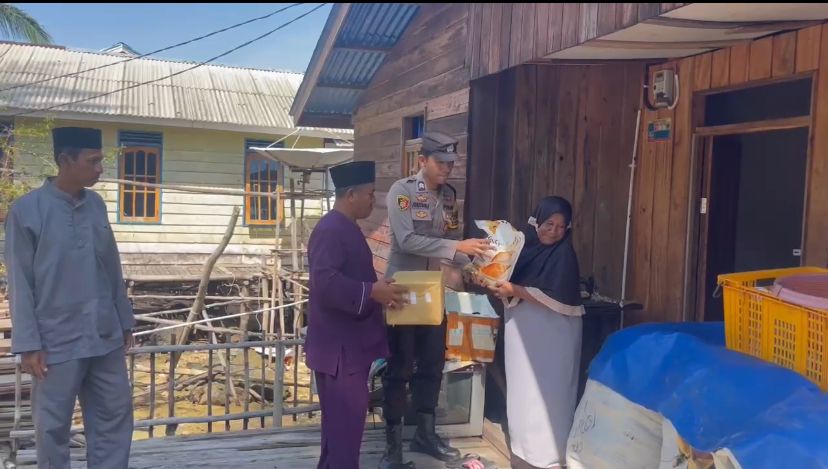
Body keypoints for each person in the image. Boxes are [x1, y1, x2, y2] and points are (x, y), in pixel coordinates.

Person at [5, 127, 135, 468]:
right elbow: (20, 281)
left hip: (104, 336)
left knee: (114, 418)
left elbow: (111, 266)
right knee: (52, 428)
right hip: (55, 342)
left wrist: (124, 321)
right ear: (65, 160)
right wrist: (29, 343)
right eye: (92, 161)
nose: (99, 169)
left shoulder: (96, 206)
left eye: (100, 160)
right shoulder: (26, 211)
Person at [382, 131, 492, 468]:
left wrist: (476, 265)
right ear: (422, 161)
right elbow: (406, 240)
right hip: (403, 288)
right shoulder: (402, 192)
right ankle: (392, 446)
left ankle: (425, 434)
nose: (446, 169)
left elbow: (452, 242)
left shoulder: (448, 198)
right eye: (441, 163)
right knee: (399, 367)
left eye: (450, 163)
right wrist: (457, 248)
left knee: (431, 364)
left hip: (433, 289)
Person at [305, 161, 408, 469]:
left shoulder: (346, 227)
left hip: (347, 350)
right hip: (339, 354)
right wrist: (370, 292)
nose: (373, 200)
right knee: (344, 437)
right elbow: (324, 284)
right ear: (350, 195)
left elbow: (353, 280)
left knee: (339, 437)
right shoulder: (331, 230)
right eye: (369, 193)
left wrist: (380, 292)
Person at [485, 196, 584, 469]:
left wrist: (512, 290)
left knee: (550, 394)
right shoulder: (524, 248)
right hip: (522, 332)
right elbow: (506, 278)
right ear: (536, 221)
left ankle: (549, 456)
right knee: (524, 392)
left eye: (561, 226)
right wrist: (498, 284)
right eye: (548, 224)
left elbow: (558, 298)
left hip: (553, 337)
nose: (553, 231)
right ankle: (523, 449)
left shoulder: (564, 255)